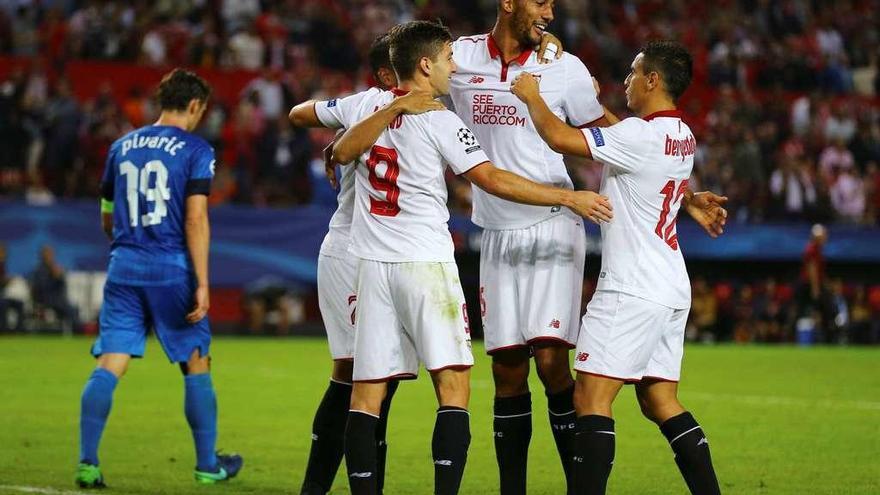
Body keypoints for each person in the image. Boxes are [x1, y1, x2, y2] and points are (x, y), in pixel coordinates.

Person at [328, 20, 614, 495]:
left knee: (548, 364)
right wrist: (570, 197)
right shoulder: (452, 81)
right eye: (539, 2)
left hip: (529, 228)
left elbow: (325, 132)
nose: (455, 68)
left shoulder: (562, 67)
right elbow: (488, 177)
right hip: (472, 241)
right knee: (490, 374)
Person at [511, 40, 724, 494]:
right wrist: (687, 199)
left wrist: (530, 93)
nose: (626, 79)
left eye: (633, 71)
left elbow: (559, 138)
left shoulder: (638, 136)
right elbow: (628, 146)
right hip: (669, 284)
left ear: (653, 80)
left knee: (590, 397)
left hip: (631, 285)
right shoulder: (680, 134)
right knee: (658, 398)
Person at [75, 69, 243, 488]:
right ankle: (207, 465)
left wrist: (131, 245)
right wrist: (202, 282)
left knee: (109, 362)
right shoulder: (195, 149)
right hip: (172, 270)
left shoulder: (121, 146)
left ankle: (88, 463)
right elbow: (195, 217)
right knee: (195, 362)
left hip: (123, 267)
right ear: (194, 106)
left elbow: (107, 217)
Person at [289, 33, 402, 495]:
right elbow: (298, 113)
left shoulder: (432, 109)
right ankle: (316, 486)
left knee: (383, 380)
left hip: (391, 256)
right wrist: (346, 131)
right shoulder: (367, 104)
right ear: (387, 75)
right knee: (358, 373)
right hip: (352, 252)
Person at [30, 244, 79, 332]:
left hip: (58, 300)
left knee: (74, 308)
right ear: (42, 255)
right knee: (70, 310)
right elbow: (40, 288)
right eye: (47, 254)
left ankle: (75, 331)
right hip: (45, 301)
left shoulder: (55, 268)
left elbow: (62, 284)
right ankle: (78, 331)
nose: (49, 256)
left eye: (50, 254)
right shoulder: (39, 271)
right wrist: (53, 276)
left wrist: (58, 276)